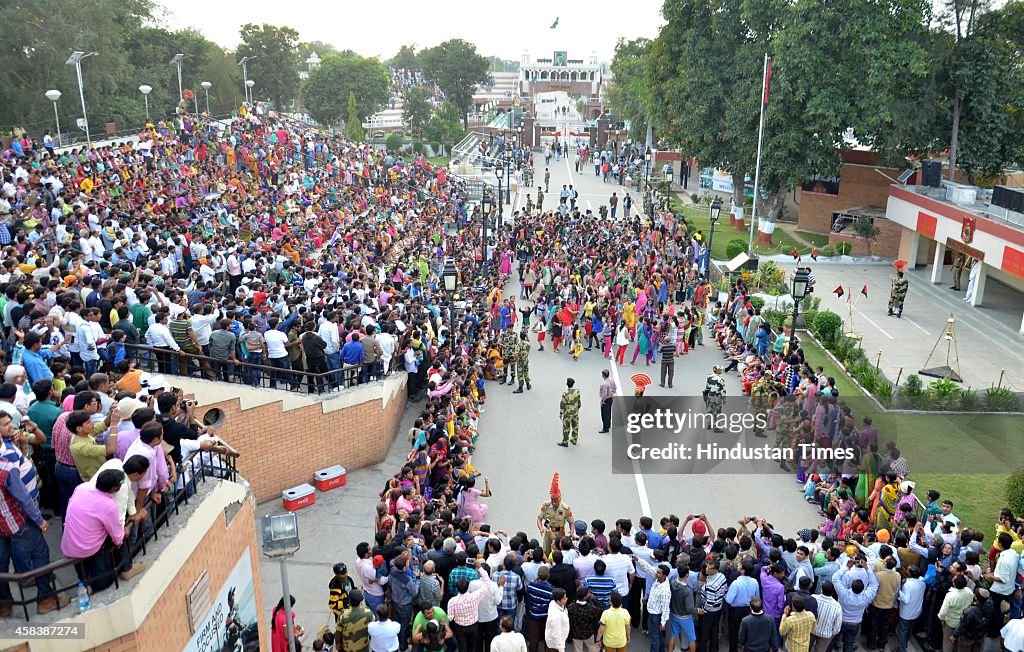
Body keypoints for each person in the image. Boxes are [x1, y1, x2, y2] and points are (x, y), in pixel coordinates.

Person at [538, 474, 573, 555]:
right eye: (552, 500)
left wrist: (571, 532)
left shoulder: (565, 508)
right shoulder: (546, 506)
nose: (553, 503)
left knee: (560, 552)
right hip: (548, 532)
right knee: (546, 551)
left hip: (560, 533)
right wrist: (541, 528)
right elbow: (539, 518)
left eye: (555, 501)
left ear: (559, 499)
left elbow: (571, 522)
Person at [567, 586, 604, 652]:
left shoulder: (571, 607)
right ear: (585, 597)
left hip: (576, 634)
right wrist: (593, 598)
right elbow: (600, 610)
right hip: (589, 634)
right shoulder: (591, 608)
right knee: (592, 648)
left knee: (577, 650)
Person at [545, 587, 571, 652]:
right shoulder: (556, 616)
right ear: (558, 601)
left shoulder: (556, 604)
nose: (566, 599)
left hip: (558, 642)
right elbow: (556, 635)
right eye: (564, 598)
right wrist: (561, 649)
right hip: (555, 646)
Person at [703, 366, 726, 433]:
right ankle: (716, 427)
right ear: (717, 371)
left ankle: (709, 424)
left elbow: (707, 386)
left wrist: (705, 394)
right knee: (717, 412)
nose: (721, 370)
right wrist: (724, 398)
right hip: (717, 397)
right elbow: (723, 390)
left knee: (709, 410)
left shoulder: (709, 376)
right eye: (720, 369)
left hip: (710, 395)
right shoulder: (721, 380)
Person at [558, 378, 581, 447]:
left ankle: (565, 441)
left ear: (567, 384)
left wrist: (561, 413)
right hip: (575, 412)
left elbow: (562, 404)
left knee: (566, 427)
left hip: (568, 413)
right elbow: (579, 402)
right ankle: (574, 439)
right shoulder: (577, 391)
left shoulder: (565, 394)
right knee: (575, 426)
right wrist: (577, 408)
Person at [598, 370, 616, 434]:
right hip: (610, 398)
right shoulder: (611, 380)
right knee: (608, 411)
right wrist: (612, 394)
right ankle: (608, 424)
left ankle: (605, 428)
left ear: (603, 375)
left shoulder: (604, 384)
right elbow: (614, 388)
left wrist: (602, 400)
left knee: (604, 414)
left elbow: (604, 394)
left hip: (606, 399)